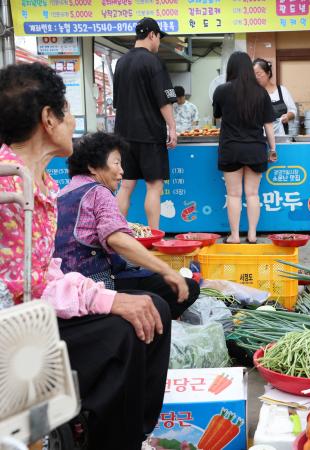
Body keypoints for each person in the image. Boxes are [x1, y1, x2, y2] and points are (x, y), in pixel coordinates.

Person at [0, 63, 171, 449]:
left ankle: (131, 434)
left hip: (37, 313)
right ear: (48, 119)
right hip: (16, 331)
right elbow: (24, 286)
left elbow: (45, 271)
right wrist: (108, 298)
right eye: (68, 111)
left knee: (153, 310)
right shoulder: (8, 181)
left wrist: (107, 298)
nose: (73, 122)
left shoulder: (41, 181)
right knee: (122, 335)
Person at [54, 131, 199, 319]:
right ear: (92, 167)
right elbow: (117, 239)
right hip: (97, 286)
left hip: (64, 290)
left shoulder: (60, 194)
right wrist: (167, 270)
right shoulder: (98, 191)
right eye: (116, 163)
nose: (122, 171)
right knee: (188, 287)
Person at [113, 17, 177, 230]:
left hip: (123, 135)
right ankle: (154, 234)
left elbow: (117, 102)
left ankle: (116, 234)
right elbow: (164, 100)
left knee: (126, 186)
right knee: (154, 187)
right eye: (159, 37)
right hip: (150, 134)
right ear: (152, 35)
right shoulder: (154, 62)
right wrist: (173, 128)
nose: (159, 43)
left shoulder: (120, 63)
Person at [213, 51, 277, 244]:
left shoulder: (221, 91)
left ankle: (234, 236)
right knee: (252, 193)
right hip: (255, 149)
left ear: (230, 68)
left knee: (233, 194)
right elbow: (268, 125)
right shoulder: (260, 92)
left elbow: (217, 117)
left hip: (231, 148)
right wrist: (272, 148)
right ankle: (252, 234)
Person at [253, 58, 297, 135]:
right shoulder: (253, 94)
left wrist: (288, 116)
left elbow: (293, 110)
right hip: (261, 139)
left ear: (268, 73)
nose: (256, 77)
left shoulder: (282, 90)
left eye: (258, 74)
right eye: (253, 75)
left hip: (282, 137)